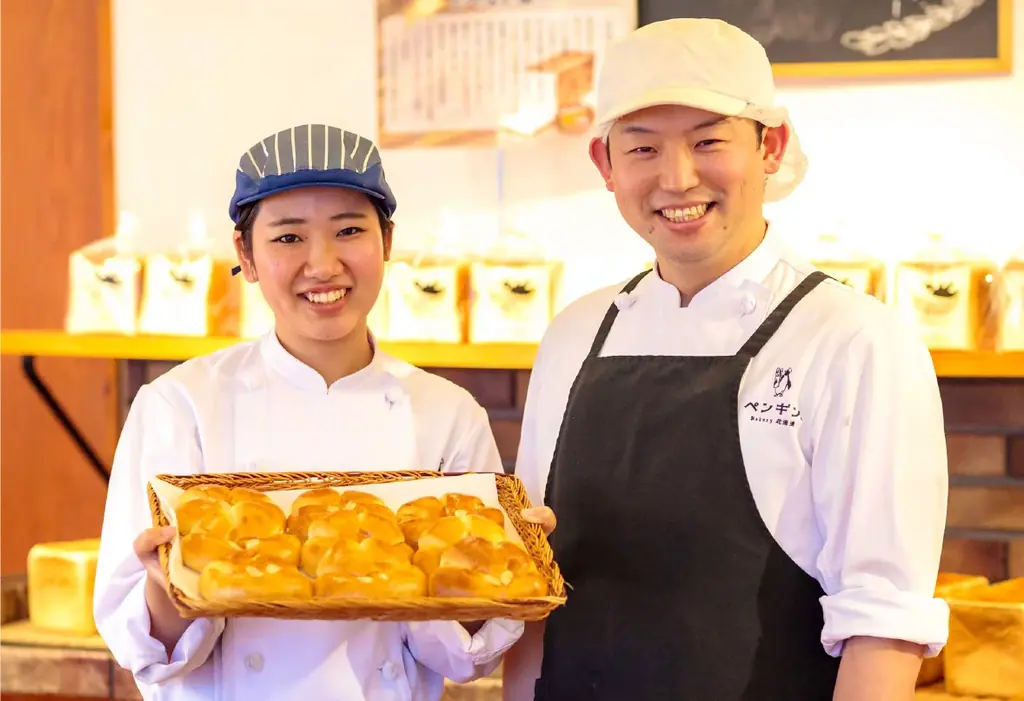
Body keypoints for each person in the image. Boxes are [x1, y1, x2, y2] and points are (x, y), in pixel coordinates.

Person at [506, 18, 950, 701]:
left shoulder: (855, 340)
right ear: (606, 165)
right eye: (643, 148)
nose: (677, 177)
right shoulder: (573, 335)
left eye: (708, 141)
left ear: (770, 146)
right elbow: (533, 588)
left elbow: (884, 623)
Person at [93, 124, 524, 700]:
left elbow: (462, 656)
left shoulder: (448, 414)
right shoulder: (181, 405)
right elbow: (144, 652)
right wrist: (164, 589)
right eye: (288, 238)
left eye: (349, 230)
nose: (323, 265)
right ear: (244, 255)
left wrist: (492, 565)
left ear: (387, 243)